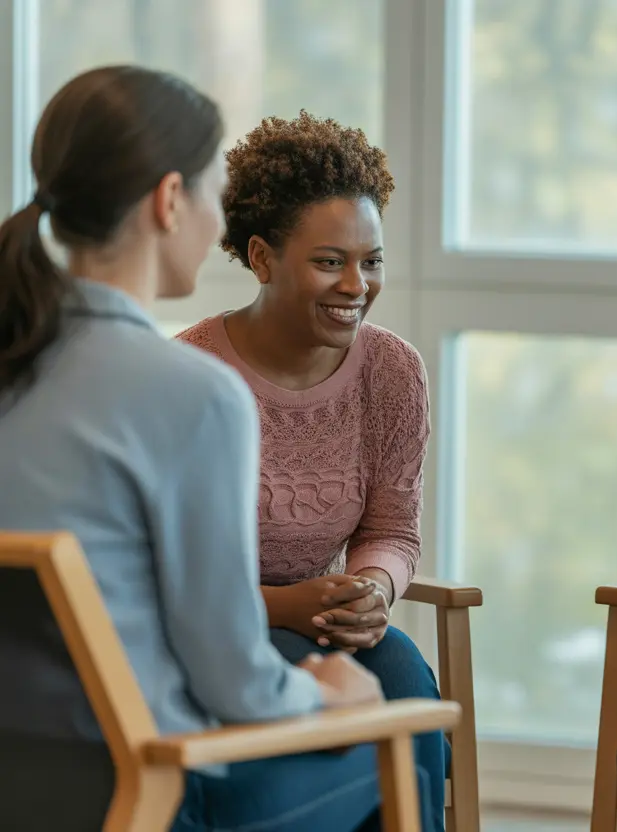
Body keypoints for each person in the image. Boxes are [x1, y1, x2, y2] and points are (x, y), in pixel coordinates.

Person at [0, 66, 435, 831]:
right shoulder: (192, 391)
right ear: (170, 201)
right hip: (156, 792)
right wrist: (338, 696)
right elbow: (237, 683)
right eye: (209, 195)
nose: (216, 224)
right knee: (392, 738)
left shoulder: (16, 360)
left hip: (21, 784)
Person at [176, 111, 448, 827]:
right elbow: (167, 575)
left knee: (408, 688)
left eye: (373, 260)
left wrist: (374, 589)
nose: (357, 284)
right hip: (218, 632)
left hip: (334, 623)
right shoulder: (189, 376)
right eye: (330, 261)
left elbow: (394, 528)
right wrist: (287, 606)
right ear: (262, 258)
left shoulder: (393, 372)